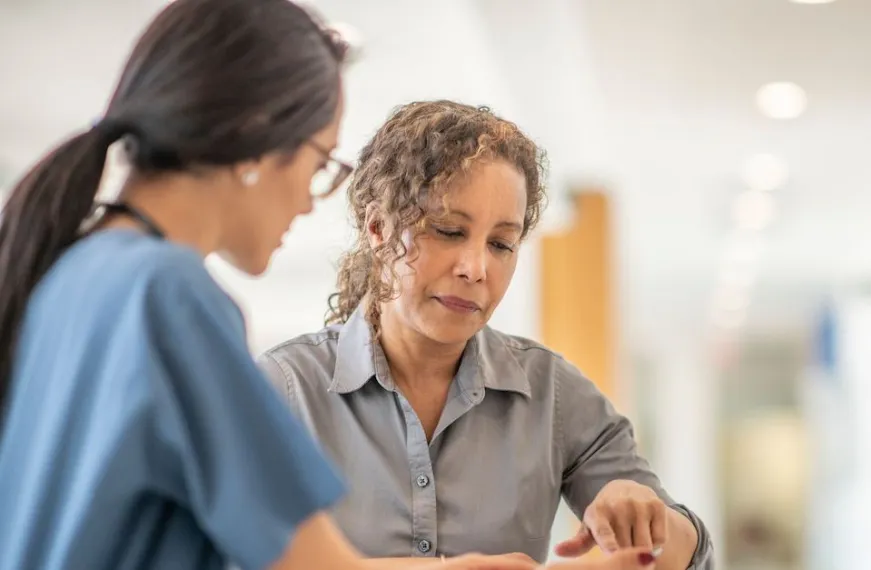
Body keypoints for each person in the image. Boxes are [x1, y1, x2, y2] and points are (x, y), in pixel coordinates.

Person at [0, 3, 658, 570]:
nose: (311, 202)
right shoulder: (170, 297)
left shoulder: (72, 272)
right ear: (257, 135)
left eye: (502, 243)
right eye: (320, 163)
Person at [258, 100, 714, 570]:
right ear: (378, 228)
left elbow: (685, 553)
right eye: (449, 231)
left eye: (501, 244)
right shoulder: (282, 390)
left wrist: (644, 513)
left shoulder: (553, 394)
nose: (476, 268)